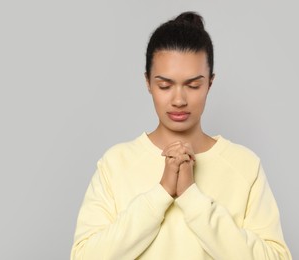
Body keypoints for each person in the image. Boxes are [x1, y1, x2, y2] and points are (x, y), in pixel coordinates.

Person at [70, 11, 292, 259]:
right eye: (165, 85)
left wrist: (192, 199)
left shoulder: (245, 165)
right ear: (148, 82)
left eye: (193, 85)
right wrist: (161, 193)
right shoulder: (115, 163)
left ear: (210, 83)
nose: (178, 100)